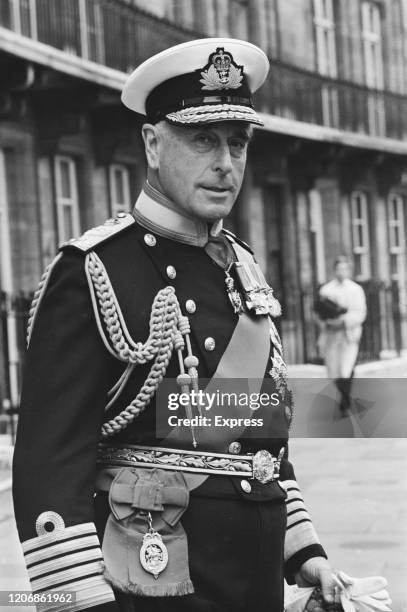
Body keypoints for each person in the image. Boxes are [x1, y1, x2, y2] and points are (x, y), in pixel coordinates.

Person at [13, 38, 335, 612]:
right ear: (153, 143)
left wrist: (302, 552)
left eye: (238, 143)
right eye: (203, 140)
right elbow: (48, 466)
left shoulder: (242, 268)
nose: (226, 164)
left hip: (252, 581)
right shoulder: (95, 269)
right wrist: (82, 602)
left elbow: (256, 440)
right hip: (150, 585)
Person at [317, 256, 367, 415]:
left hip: (348, 334)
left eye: (344, 269)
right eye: (338, 268)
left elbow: (360, 313)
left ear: (349, 270)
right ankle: (345, 399)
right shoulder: (326, 290)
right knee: (334, 370)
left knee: (346, 367)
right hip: (331, 335)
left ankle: (345, 403)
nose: (341, 272)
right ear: (334, 270)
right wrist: (327, 322)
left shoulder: (355, 289)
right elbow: (318, 312)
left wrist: (343, 321)